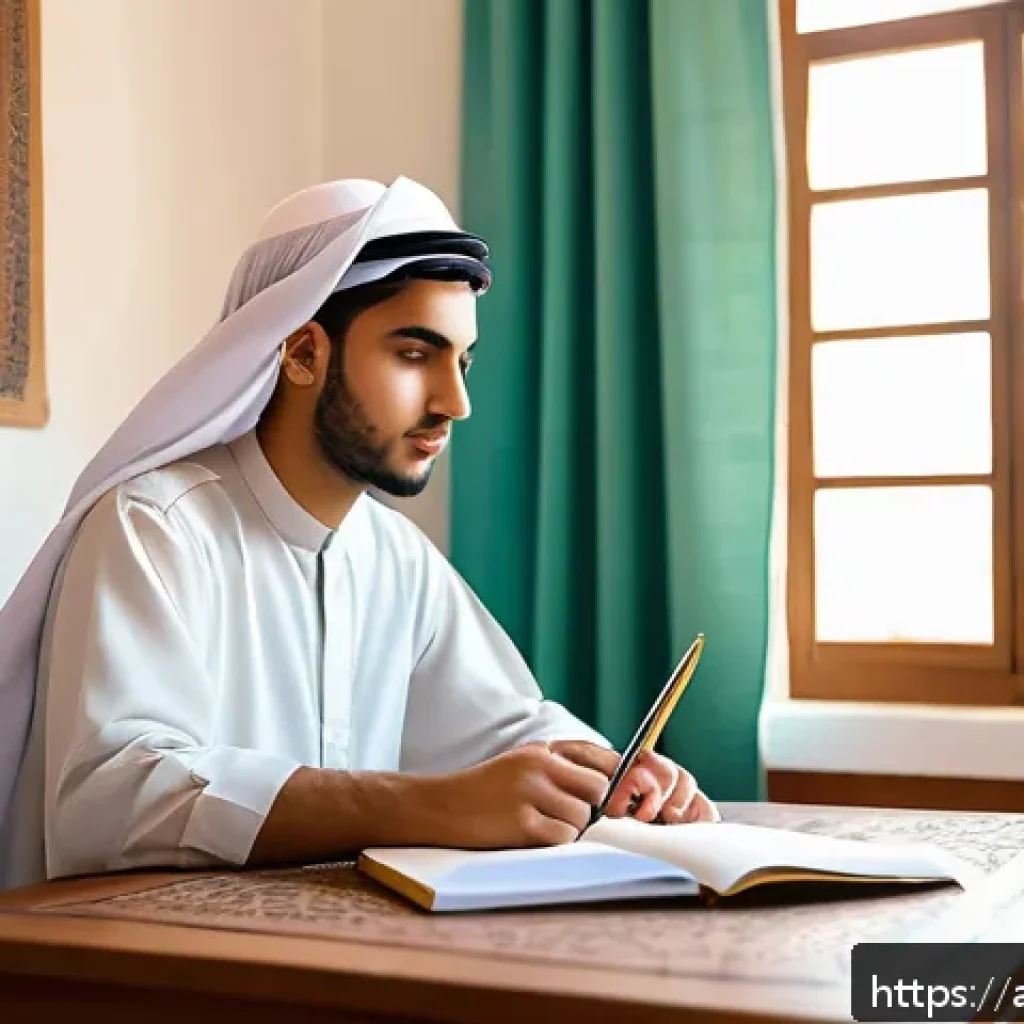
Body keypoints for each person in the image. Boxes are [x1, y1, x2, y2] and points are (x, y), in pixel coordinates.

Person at [0, 177, 717, 890]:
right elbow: (115, 798)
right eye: (414, 354)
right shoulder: (153, 527)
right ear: (303, 353)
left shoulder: (395, 555)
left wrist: (610, 779)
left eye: (462, 361)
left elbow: (504, 728)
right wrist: (432, 804)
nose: (455, 403)